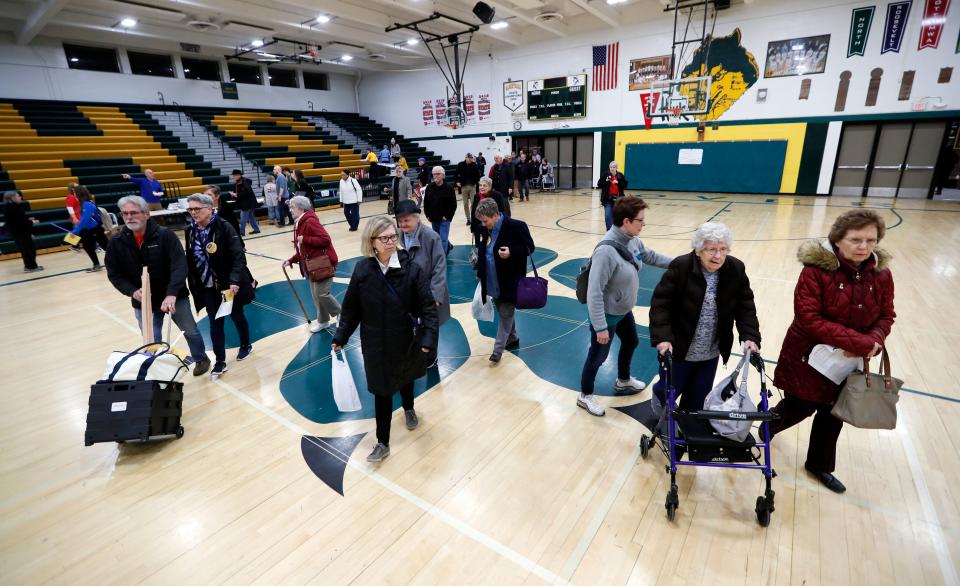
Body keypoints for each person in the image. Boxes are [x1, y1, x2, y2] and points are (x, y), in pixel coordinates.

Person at [768, 210, 895, 494]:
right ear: (838, 240)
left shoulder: (881, 274)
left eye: (871, 240)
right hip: (809, 358)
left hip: (849, 363)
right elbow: (809, 318)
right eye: (856, 240)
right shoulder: (815, 271)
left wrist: (875, 338)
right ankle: (763, 432)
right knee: (797, 407)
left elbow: (887, 315)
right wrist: (860, 344)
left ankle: (819, 464)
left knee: (833, 414)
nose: (864, 247)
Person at [331, 215, 439, 463]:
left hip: (404, 338)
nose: (391, 241)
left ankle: (409, 408)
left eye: (393, 236)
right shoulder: (363, 270)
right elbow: (351, 309)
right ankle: (383, 442)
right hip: (374, 343)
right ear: (372, 242)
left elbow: (428, 309)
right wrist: (341, 336)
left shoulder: (412, 270)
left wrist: (427, 341)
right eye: (385, 237)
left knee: (406, 377)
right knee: (381, 390)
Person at [649, 222, 761, 413]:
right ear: (698, 250)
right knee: (668, 392)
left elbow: (745, 307)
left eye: (723, 249)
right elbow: (661, 305)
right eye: (711, 250)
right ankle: (659, 406)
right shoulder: (681, 267)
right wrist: (663, 338)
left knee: (697, 399)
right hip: (679, 350)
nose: (718, 256)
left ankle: (685, 428)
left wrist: (750, 335)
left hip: (711, 352)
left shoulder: (735, 269)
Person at [579, 196, 674, 416]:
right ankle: (585, 395)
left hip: (623, 311)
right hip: (607, 315)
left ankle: (623, 380)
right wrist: (601, 327)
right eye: (640, 220)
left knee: (631, 341)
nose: (644, 224)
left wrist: (679, 262)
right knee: (598, 357)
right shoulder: (605, 252)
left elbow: (649, 255)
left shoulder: (632, 240)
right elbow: (594, 293)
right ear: (626, 221)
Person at [105, 195, 210, 376]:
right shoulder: (117, 241)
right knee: (151, 340)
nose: (129, 217)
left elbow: (179, 265)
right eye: (125, 214)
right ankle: (156, 368)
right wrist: (131, 291)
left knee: (190, 331)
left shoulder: (165, 235)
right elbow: (114, 273)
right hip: (143, 301)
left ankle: (201, 358)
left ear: (146, 214)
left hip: (175, 297)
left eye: (134, 213)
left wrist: (171, 293)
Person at [183, 193, 255, 378]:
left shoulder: (224, 227)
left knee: (236, 315)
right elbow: (191, 258)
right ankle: (220, 361)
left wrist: (234, 281)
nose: (193, 212)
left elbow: (238, 257)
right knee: (215, 323)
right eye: (190, 209)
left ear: (209, 208)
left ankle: (246, 344)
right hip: (206, 286)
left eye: (197, 209)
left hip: (227, 285)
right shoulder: (190, 230)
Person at [474, 197, 535, 363]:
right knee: (502, 310)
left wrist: (511, 252)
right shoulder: (483, 229)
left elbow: (530, 247)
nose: (483, 224)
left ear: (495, 215)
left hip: (510, 280)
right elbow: (482, 250)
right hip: (491, 280)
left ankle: (497, 350)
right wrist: (480, 270)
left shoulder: (516, 226)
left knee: (506, 314)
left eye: (485, 221)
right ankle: (513, 336)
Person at [283, 195, 341, 333]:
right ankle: (323, 321)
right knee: (316, 295)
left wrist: (306, 239)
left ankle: (342, 314)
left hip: (322, 264)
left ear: (301, 208)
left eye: (292, 207)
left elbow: (325, 239)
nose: (290, 210)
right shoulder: (300, 222)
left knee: (322, 294)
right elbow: (302, 248)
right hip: (312, 266)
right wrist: (291, 260)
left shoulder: (309, 222)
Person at [395, 199, 450, 327]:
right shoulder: (398, 236)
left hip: (429, 295)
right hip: (412, 295)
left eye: (406, 220)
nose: (403, 224)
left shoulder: (431, 237)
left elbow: (439, 266)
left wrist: (435, 296)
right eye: (400, 221)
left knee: (430, 332)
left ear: (417, 219)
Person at [70, 186, 109, 272]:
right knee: (87, 246)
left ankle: (123, 260)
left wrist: (75, 231)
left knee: (107, 247)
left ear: (79, 194)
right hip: (87, 231)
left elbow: (85, 220)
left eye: (75, 193)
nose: (74, 195)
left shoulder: (87, 204)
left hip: (95, 229)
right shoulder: (83, 204)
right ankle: (96, 265)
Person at [3, 191, 41, 272]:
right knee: (28, 249)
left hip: (20, 232)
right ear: (12, 198)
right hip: (20, 232)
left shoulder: (12, 206)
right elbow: (19, 222)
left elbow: (19, 219)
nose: (20, 197)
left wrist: (27, 219)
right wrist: (31, 222)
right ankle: (30, 267)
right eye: (18, 196)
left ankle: (31, 266)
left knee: (29, 248)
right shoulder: (13, 208)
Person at [422, 166, 457, 255]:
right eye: (434, 174)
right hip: (433, 218)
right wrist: (427, 215)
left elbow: (453, 204)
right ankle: (448, 246)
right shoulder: (429, 187)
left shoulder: (449, 188)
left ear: (443, 175)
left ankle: (441, 257)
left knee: (443, 238)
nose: (435, 176)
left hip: (444, 219)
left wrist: (448, 216)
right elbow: (426, 203)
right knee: (438, 237)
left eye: (438, 174)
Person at [470, 177, 510, 247]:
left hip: (494, 226)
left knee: (495, 245)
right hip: (480, 226)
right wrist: (473, 228)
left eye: (484, 185)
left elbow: (503, 211)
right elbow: (474, 213)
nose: (481, 187)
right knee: (480, 247)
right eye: (480, 185)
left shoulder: (497, 195)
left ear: (490, 187)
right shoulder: (477, 196)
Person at [598, 161, 627, 231]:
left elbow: (625, 185)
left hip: (618, 199)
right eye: (611, 167)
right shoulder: (606, 175)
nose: (612, 169)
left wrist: (618, 182)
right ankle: (609, 230)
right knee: (608, 215)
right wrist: (606, 180)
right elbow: (599, 184)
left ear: (616, 168)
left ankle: (619, 229)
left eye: (614, 167)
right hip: (607, 199)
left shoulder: (620, 175)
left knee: (618, 215)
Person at [230, 169, 260, 236]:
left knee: (243, 218)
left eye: (235, 175)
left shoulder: (245, 181)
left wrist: (237, 195)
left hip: (247, 203)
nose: (234, 177)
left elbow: (248, 192)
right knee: (251, 217)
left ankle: (241, 232)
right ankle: (256, 229)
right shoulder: (237, 183)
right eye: (234, 175)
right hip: (246, 203)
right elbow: (237, 192)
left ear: (239, 175)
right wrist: (234, 195)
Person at [456, 153, 481, 226]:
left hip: (472, 186)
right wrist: (457, 181)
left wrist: (477, 182)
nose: (470, 159)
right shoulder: (460, 164)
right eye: (468, 158)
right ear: (465, 157)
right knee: (465, 203)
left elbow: (478, 175)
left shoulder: (474, 165)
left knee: (473, 203)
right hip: (463, 187)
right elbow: (456, 174)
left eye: (471, 158)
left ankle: (473, 218)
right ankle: (468, 219)